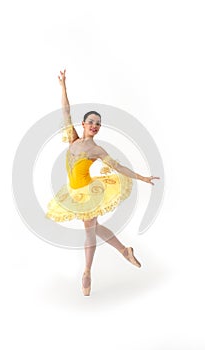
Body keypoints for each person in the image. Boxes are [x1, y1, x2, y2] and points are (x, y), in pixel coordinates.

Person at [45, 69, 160, 296]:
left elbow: (118, 168)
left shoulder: (96, 149)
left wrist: (142, 177)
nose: (95, 125)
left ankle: (87, 272)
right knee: (94, 228)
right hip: (74, 191)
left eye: (98, 123)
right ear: (84, 123)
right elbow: (65, 111)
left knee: (89, 232)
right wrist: (63, 87)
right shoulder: (72, 138)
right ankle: (124, 250)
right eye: (91, 122)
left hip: (90, 192)